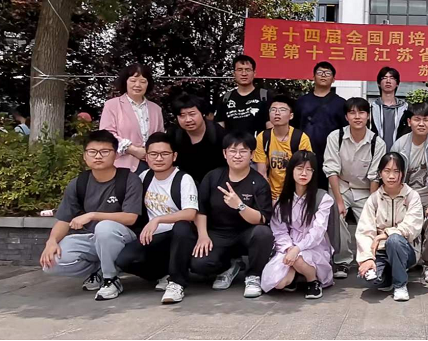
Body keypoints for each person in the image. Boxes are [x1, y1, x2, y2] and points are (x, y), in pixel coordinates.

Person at [39, 130, 143, 301]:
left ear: (116, 155)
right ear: (85, 156)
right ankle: (100, 270)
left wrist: (93, 215)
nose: (98, 156)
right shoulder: (79, 183)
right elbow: (64, 219)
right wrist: (51, 241)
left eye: (105, 151)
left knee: (104, 227)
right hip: (93, 238)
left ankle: (111, 279)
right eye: (92, 152)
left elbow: (131, 217)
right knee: (51, 263)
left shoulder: (129, 180)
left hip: (124, 239)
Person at [115, 133, 198, 304]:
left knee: (182, 226)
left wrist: (158, 220)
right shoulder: (144, 177)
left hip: (179, 237)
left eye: (164, 154)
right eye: (153, 154)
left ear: (174, 156)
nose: (159, 158)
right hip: (154, 237)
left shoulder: (183, 179)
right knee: (124, 260)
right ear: (146, 156)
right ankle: (163, 274)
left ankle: (177, 283)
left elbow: (190, 213)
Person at [190, 131, 274, 298]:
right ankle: (229, 266)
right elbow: (201, 209)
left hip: (246, 233)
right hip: (218, 233)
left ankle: (253, 276)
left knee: (263, 233)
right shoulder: (213, 177)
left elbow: (262, 219)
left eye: (243, 151)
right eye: (232, 151)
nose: (237, 156)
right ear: (224, 153)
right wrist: (203, 235)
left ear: (251, 154)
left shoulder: (259, 182)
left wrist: (240, 206)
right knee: (198, 264)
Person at [323, 97, 387, 279]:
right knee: (336, 216)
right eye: (352, 112)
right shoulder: (335, 137)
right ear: (346, 117)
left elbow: (375, 177)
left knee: (370, 222)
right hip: (341, 186)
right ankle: (342, 261)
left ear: (368, 116)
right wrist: (339, 201)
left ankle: (369, 260)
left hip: (365, 190)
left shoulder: (377, 142)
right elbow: (331, 170)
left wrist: (373, 205)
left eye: (361, 112)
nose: (357, 117)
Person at [260, 151, 335, 299]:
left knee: (299, 260)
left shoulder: (322, 199)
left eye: (309, 169)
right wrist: (289, 248)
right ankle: (296, 276)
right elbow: (279, 230)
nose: (304, 173)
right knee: (278, 282)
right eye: (300, 168)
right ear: (291, 170)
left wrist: (297, 249)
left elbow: (317, 232)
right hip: (289, 246)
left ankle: (312, 281)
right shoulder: (283, 200)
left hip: (314, 246)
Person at [391, 103, 428, 283]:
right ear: (409, 122)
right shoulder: (400, 143)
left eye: (426, 119)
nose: (422, 123)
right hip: (407, 194)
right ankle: (409, 258)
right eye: (417, 119)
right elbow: (395, 174)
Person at [356, 153, 424, 301]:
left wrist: (384, 235)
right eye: (387, 171)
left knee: (394, 240)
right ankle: (390, 276)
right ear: (380, 173)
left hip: (406, 250)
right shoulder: (374, 199)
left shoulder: (412, 196)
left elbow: (412, 226)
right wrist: (367, 258)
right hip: (381, 252)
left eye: (396, 171)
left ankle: (400, 285)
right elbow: (364, 231)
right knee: (368, 279)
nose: (391, 176)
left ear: (402, 174)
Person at [100, 63, 165, 174]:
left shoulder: (156, 109)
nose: (138, 85)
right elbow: (106, 134)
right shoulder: (112, 105)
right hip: (121, 165)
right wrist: (134, 150)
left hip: (152, 165)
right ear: (125, 82)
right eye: (133, 80)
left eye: (143, 81)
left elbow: (160, 136)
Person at [294, 61, 348, 186]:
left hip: (331, 155)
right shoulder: (302, 101)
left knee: (326, 189)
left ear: (333, 79)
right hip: (304, 153)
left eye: (327, 73)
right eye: (320, 72)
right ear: (313, 77)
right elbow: (294, 127)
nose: (323, 75)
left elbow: (345, 131)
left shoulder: (341, 103)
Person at [254, 95, 313, 201]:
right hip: (271, 194)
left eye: (282, 110)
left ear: (291, 116)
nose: (277, 113)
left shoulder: (300, 138)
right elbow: (262, 172)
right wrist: (268, 197)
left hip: (294, 194)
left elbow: (305, 171)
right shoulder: (263, 137)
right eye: (273, 110)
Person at [171, 94, 227, 185]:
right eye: (182, 115)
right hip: (186, 184)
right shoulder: (174, 135)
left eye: (192, 114)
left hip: (215, 183)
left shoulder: (219, 134)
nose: (188, 120)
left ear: (202, 113)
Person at [215, 55, 273, 136]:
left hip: (258, 143)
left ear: (254, 73)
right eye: (240, 70)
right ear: (234, 73)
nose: (244, 74)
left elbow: (271, 127)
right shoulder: (225, 99)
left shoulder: (265, 96)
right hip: (232, 143)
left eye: (248, 70)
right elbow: (219, 129)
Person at [370, 66, 408, 149]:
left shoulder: (405, 109)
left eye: (392, 78)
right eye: (384, 78)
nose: (388, 81)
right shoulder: (372, 108)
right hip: (376, 152)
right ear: (378, 83)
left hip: (400, 152)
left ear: (397, 83)